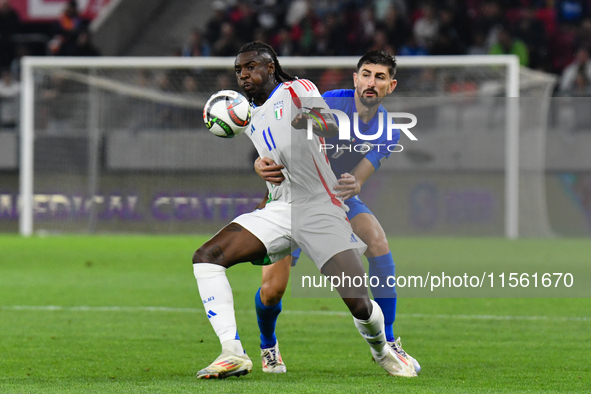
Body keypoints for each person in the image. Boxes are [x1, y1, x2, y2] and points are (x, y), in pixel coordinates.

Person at [192, 41, 417, 379]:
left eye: (251, 67)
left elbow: (328, 126)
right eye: (239, 70)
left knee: (358, 301)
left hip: (320, 207)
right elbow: (269, 154)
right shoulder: (248, 115)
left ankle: (382, 348)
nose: (244, 75)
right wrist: (259, 165)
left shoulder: (298, 90)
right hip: (279, 207)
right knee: (213, 260)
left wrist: (309, 124)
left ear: (270, 67)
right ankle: (235, 352)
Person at [252, 50, 420, 375]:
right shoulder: (328, 102)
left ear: (391, 86)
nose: (372, 82)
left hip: (333, 197)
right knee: (272, 290)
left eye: (380, 77)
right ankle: (268, 344)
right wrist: (261, 161)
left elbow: (355, 181)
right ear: (355, 79)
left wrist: (353, 185)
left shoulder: (389, 129)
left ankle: (388, 342)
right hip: (292, 197)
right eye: (367, 75)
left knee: (377, 242)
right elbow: (281, 135)